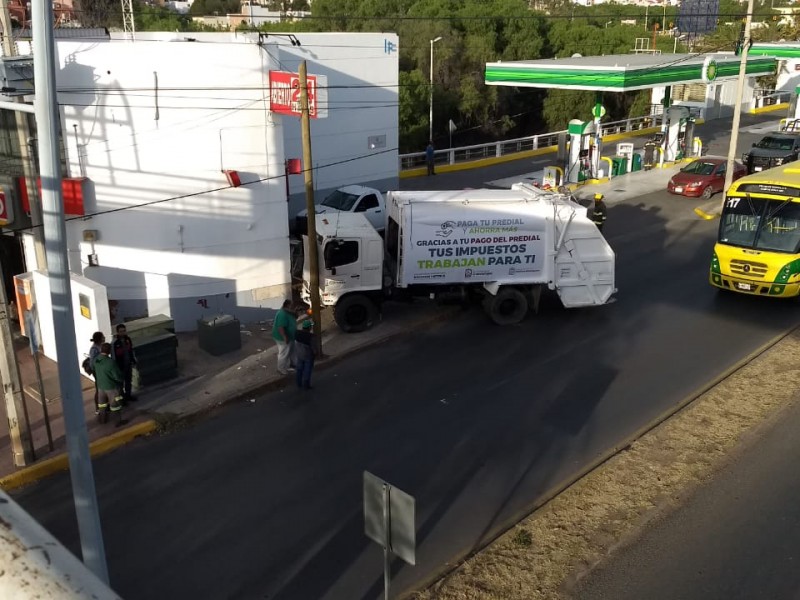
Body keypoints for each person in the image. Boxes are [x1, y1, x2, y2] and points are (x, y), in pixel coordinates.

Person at [93, 342, 125, 426]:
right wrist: (121, 380)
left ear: (101, 350)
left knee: (102, 405)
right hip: (111, 387)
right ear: (109, 351)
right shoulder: (110, 362)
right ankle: (118, 422)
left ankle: (102, 420)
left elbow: (94, 369)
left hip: (100, 387)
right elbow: (117, 376)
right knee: (115, 406)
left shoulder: (96, 360)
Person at [112, 323, 137, 403]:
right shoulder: (115, 343)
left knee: (128, 381)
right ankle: (122, 399)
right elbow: (114, 356)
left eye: (124, 331)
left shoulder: (128, 339)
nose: (123, 333)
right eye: (121, 331)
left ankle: (128, 395)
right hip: (120, 366)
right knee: (120, 384)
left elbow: (131, 351)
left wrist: (133, 360)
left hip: (128, 364)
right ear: (117, 332)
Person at [272, 299, 297, 375]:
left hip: (290, 336)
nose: (293, 307)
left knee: (289, 352)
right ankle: (281, 369)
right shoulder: (282, 314)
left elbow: (294, 317)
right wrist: (284, 337)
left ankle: (287, 366)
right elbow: (280, 327)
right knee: (283, 353)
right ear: (287, 306)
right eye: (291, 306)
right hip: (283, 337)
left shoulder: (288, 312)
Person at [294, 320, 317, 390]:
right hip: (308, 356)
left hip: (299, 354)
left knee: (299, 369)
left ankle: (298, 383)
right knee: (307, 370)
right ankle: (306, 384)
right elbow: (314, 349)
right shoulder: (311, 336)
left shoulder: (297, 333)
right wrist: (315, 353)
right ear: (309, 327)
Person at [88, 331, 105, 414]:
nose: (104, 338)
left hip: (102, 371)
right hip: (98, 372)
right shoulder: (94, 349)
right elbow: (92, 363)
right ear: (99, 338)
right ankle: (98, 408)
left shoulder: (100, 346)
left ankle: (104, 406)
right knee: (99, 389)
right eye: (103, 337)